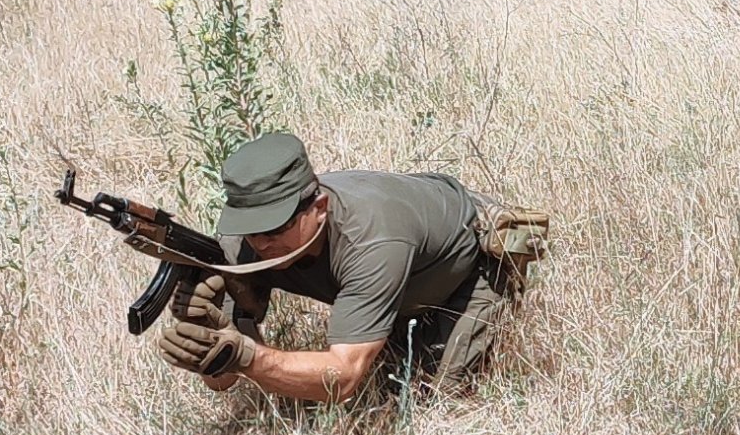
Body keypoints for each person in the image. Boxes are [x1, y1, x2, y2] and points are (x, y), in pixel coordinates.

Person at [154, 131, 549, 404]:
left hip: (467, 269)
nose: (260, 244)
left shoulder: (373, 238)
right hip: (399, 277)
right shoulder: (244, 243)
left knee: (432, 397)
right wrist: (213, 348)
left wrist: (251, 358)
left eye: (274, 227)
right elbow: (223, 383)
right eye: (250, 229)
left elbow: (342, 378)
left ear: (319, 208)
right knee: (391, 369)